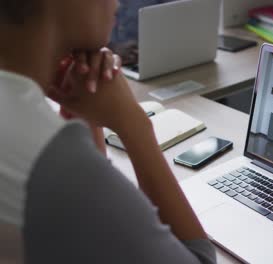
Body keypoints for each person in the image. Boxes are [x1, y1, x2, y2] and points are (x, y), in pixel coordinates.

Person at [0, 1, 215, 263]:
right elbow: (198, 259)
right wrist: (134, 125)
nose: (118, 2)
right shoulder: (48, 158)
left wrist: (82, 112)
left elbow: (90, 228)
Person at [109, 0, 174, 65]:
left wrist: (145, 49)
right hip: (107, 60)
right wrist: (112, 49)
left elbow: (175, 23)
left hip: (146, 61)